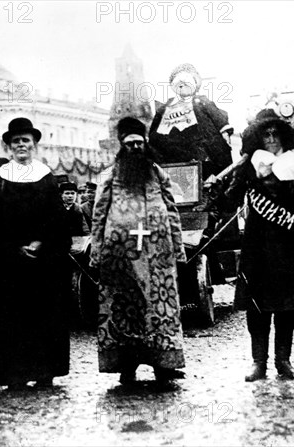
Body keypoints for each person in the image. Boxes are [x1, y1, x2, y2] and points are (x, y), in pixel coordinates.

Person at [90, 117, 187, 384]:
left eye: (139, 143)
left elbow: (171, 209)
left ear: (145, 144)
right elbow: (99, 214)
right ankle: (126, 366)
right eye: (130, 143)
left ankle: (164, 365)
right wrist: (96, 249)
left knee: (160, 310)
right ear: (122, 146)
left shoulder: (158, 173)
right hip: (120, 258)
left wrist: (178, 247)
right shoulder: (110, 175)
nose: (135, 148)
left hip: (158, 258)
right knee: (123, 308)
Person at [220, 109, 294, 381]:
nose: (271, 138)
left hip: (287, 247)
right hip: (257, 248)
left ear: (284, 135)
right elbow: (230, 200)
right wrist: (224, 184)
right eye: (266, 134)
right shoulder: (250, 167)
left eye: (275, 133)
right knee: (257, 309)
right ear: (259, 138)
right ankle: (258, 362)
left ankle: (283, 360)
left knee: (286, 308)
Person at [0, 117, 71, 389]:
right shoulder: (0, 180)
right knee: (12, 317)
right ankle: (14, 374)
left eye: (26, 141)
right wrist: (12, 247)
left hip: (43, 262)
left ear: (34, 145)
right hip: (9, 264)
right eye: (16, 141)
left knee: (43, 314)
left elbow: (56, 218)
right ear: (9, 146)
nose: (21, 145)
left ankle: (45, 372)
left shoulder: (45, 177)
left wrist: (41, 242)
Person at [149, 63, 233, 180]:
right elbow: (154, 136)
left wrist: (224, 132)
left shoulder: (202, 102)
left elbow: (218, 118)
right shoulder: (164, 109)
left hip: (205, 155)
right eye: (180, 84)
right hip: (177, 160)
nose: (184, 86)